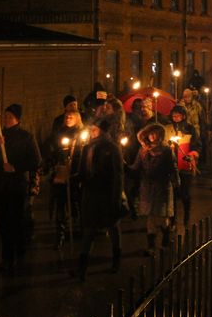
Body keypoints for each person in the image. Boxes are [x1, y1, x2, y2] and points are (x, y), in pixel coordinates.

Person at [0, 104, 42, 274]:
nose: (7, 119)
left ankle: (20, 251)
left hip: (17, 186)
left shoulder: (26, 137)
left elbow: (36, 161)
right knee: (3, 223)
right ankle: (7, 258)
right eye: (5, 116)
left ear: (17, 119)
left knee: (17, 221)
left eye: (10, 116)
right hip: (1, 186)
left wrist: (15, 167)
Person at [72, 118, 125, 281]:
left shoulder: (112, 148)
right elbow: (82, 172)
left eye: (94, 129)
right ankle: (82, 268)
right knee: (89, 230)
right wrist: (70, 177)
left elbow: (117, 175)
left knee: (113, 227)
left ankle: (116, 259)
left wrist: (116, 198)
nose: (91, 132)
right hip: (91, 195)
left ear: (102, 131)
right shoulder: (87, 147)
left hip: (107, 194)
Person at [130, 123, 176, 256]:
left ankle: (165, 242)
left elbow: (172, 168)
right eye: (150, 133)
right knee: (150, 219)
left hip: (162, 187)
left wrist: (176, 182)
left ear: (160, 135)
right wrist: (125, 166)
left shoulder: (166, 151)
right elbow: (136, 167)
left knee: (161, 218)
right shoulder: (142, 150)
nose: (152, 136)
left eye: (155, 133)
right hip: (147, 189)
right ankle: (151, 247)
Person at [43, 110, 84, 250]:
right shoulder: (59, 133)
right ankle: (60, 235)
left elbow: (84, 153)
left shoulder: (81, 134)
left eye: (71, 117)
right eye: (66, 116)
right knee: (60, 205)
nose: (68, 118)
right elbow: (53, 151)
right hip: (61, 172)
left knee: (77, 203)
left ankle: (81, 231)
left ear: (77, 119)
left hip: (76, 174)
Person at [164, 106, 201, 227]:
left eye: (178, 115)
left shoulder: (190, 129)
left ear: (183, 116)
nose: (175, 118)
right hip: (172, 166)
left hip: (185, 165)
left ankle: (187, 216)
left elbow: (197, 145)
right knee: (172, 194)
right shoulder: (167, 129)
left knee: (185, 193)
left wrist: (192, 154)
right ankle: (173, 219)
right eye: (174, 115)